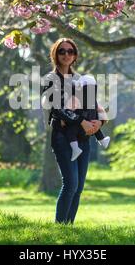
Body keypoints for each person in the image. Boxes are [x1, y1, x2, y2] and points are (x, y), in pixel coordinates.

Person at [41, 37, 107, 224]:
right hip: (62, 138)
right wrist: (80, 121)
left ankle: (68, 227)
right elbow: (56, 109)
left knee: (78, 187)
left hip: (83, 138)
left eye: (70, 51)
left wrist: (100, 121)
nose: (66, 54)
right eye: (62, 51)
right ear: (55, 54)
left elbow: (91, 104)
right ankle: (60, 226)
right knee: (70, 184)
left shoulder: (80, 79)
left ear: (75, 55)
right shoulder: (50, 80)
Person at [62, 74, 110, 161]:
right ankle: (102, 140)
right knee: (95, 129)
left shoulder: (79, 98)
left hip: (81, 129)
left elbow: (67, 111)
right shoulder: (90, 100)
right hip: (86, 127)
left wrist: (100, 122)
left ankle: (75, 148)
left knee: (70, 132)